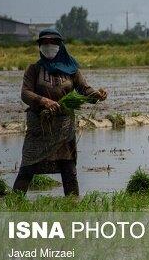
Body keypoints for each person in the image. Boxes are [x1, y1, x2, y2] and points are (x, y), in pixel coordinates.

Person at [12, 29, 107, 196]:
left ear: (60, 45)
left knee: (68, 168)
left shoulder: (71, 70)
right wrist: (44, 101)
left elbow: (84, 90)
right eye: (44, 43)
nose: (48, 46)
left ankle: (72, 204)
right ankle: (14, 202)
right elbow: (25, 93)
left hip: (64, 127)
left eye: (52, 43)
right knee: (27, 167)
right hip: (40, 126)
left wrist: (97, 95)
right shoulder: (34, 69)